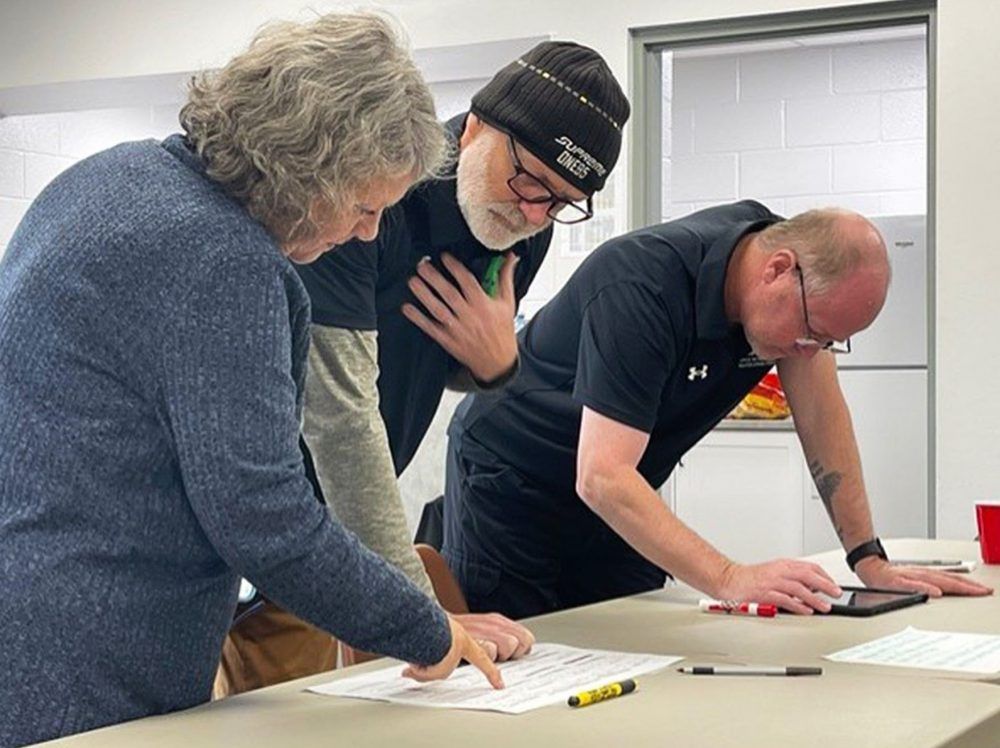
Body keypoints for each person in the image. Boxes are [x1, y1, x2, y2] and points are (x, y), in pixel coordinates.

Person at [0, 14, 503, 748]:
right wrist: (425, 629)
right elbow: (263, 518)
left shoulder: (108, 177)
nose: (367, 234)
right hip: (89, 655)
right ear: (309, 167)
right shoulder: (222, 259)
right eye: (365, 207)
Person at [212, 40, 631, 691]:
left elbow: (446, 363)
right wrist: (423, 615)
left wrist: (496, 368)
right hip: (267, 503)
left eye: (561, 202)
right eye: (529, 182)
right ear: (476, 127)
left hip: (328, 531)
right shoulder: (372, 200)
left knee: (290, 716)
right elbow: (340, 416)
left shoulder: (524, 228)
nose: (532, 213)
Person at [441, 201, 994, 620]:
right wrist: (730, 577)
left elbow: (824, 418)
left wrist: (868, 558)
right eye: (809, 334)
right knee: (532, 663)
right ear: (778, 270)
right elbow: (602, 475)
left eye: (826, 343)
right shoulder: (642, 285)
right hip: (512, 481)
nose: (807, 352)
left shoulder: (793, 283)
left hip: (615, 493)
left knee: (639, 647)